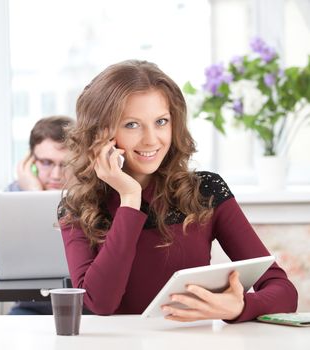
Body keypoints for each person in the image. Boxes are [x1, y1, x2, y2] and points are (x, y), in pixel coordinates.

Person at [58, 60, 298, 322]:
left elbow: (284, 292)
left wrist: (240, 307)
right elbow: (100, 303)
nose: (151, 139)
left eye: (161, 121)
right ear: (100, 133)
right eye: (132, 124)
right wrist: (130, 199)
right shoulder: (79, 206)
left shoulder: (204, 191)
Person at [0, 115, 74, 315]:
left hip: (88, 308)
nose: (56, 175)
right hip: (30, 307)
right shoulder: (10, 196)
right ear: (30, 162)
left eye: (67, 164)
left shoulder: (93, 196)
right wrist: (35, 195)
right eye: (46, 162)